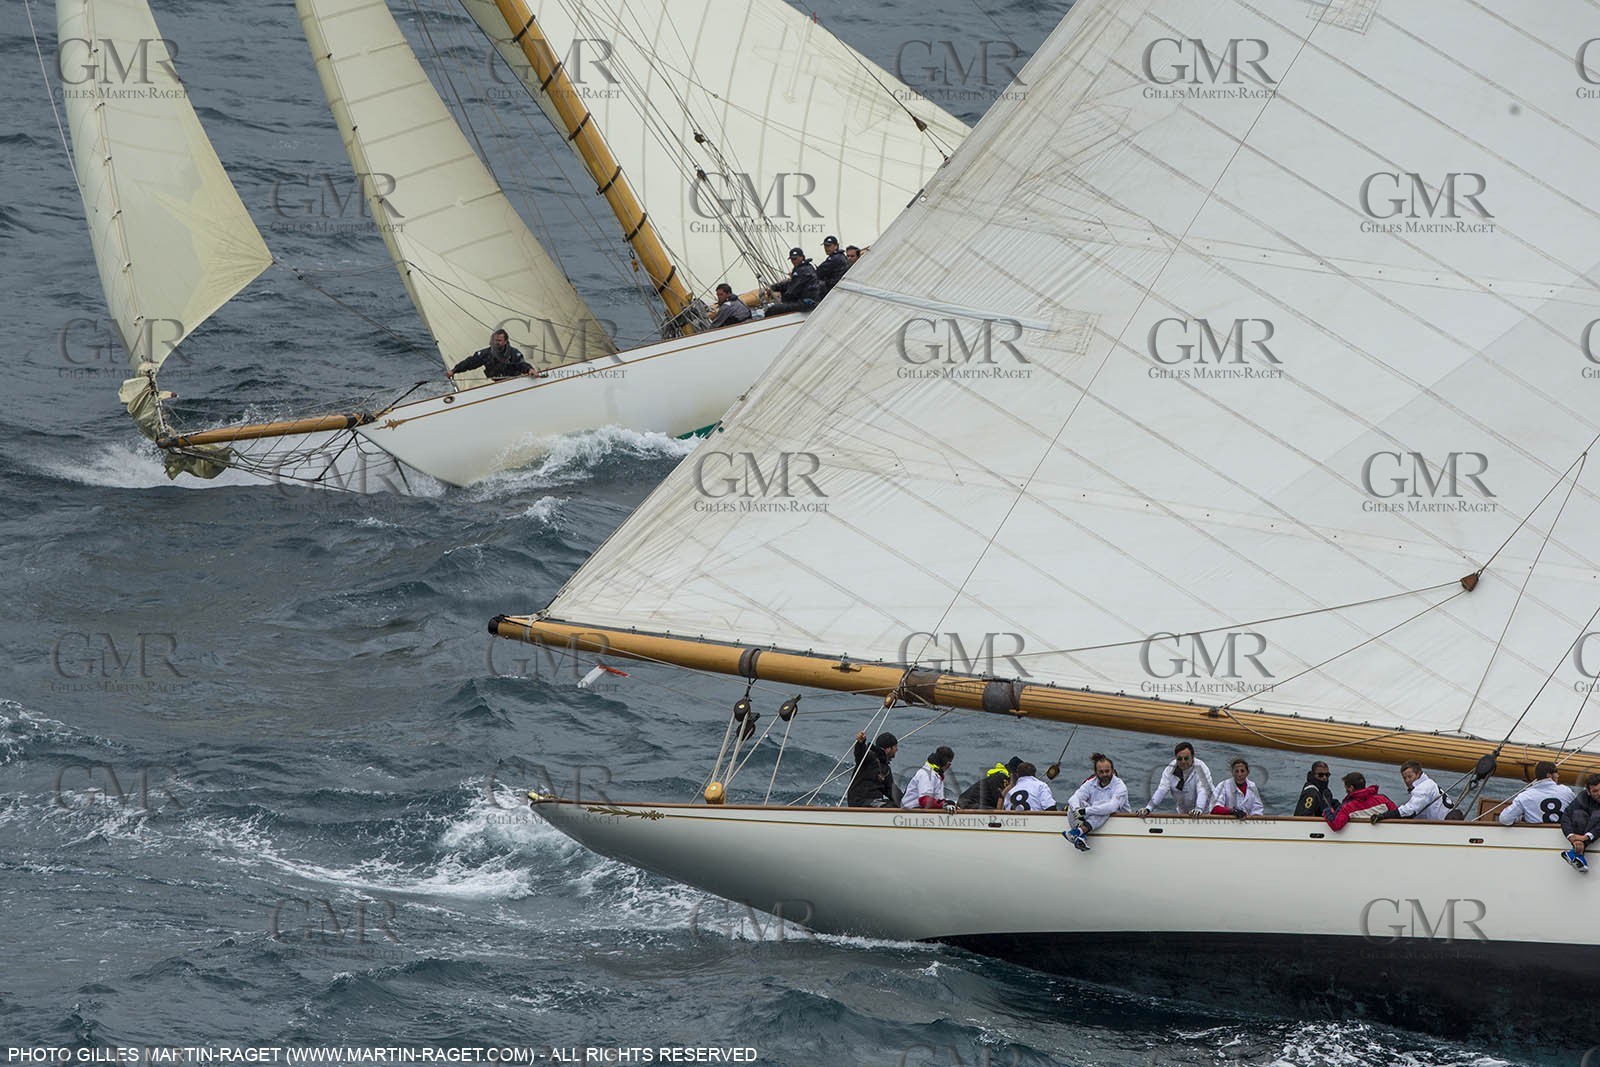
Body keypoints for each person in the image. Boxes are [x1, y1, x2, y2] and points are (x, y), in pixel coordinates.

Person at [1063, 753, 1130, 852]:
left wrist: (1085, 811)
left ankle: (1078, 832)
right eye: (1101, 772)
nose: (1104, 774)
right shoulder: (1090, 783)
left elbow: (1111, 807)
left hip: (1120, 822)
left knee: (1104, 806)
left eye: (1107, 771)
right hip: (1093, 822)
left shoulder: (1120, 786)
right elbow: (1073, 798)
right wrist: (1078, 809)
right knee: (1074, 804)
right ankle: (1081, 835)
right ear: (1096, 772)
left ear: (1112, 770)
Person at [1137, 741, 1214, 816]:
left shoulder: (1201, 768)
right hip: (1183, 814)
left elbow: (1203, 790)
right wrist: (1148, 808)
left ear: (1193, 757)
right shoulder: (1170, 769)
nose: (1183, 762)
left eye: (1186, 758)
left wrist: (1198, 809)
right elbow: (1162, 790)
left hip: (1208, 813)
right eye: (1179, 759)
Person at [447, 328, 543, 381]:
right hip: (497, 385)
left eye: (499, 340)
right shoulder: (485, 354)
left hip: (514, 383)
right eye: (494, 340)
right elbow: (470, 362)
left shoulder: (514, 353)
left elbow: (521, 364)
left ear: (505, 341)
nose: (496, 342)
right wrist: (454, 370)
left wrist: (530, 369)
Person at [1497, 761, 1574, 825]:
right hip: (1561, 837)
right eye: (1556, 772)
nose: (1558, 775)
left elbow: (1505, 819)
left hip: (1533, 839)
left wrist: (1520, 818)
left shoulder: (1525, 796)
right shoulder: (1566, 791)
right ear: (1549, 775)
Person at [1373, 760, 1452, 823]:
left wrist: (1384, 816)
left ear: (1418, 774)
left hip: (1443, 827)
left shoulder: (1423, 788)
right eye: (1404, 778)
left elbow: (1410, 810)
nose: (1407, 781)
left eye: (1410, 776)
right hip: (1441, 824)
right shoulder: (1429, 783)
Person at [1327, 772, 1398, 831]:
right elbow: (1396, 813)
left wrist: (1327, 811)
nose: (1346, 791)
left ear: (1351, 788)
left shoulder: (1347, 807)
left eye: (1346, 788)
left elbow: (1336, 825)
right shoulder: (1383, 799)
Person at [847, 730, 900, 808]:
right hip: (860, 801)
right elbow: (860, 754)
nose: (897, 749)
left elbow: (891, 790)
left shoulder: (886, 769)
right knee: (886, 806)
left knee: (897, 805)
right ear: (888, 748)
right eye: (895, 747)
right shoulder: (870, 757)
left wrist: (907, 801)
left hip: (875, 801)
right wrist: (860, 743)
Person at [1560, 772, 1600, 872]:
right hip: (1581, 835)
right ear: (1588, 792)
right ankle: (1578, 851)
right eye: (1595, 791)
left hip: (1590, 832)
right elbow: (1566, 816)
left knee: (1596, 815)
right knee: (1578, 814)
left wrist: (1586, 837)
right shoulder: (1583, 797)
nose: (1599, 793)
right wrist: (1572, 837)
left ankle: (1576, 852)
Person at [764, 247, 821, 316]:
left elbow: (793, 291)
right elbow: (791, 284)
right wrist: (774, 287)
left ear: (802, 257)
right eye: (792, 259)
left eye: (795, 258)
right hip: (806, 301)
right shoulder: (806, 267)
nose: (793, 261)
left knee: (772, 310)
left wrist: (780, 297)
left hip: (806, 303)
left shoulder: (802, 271)